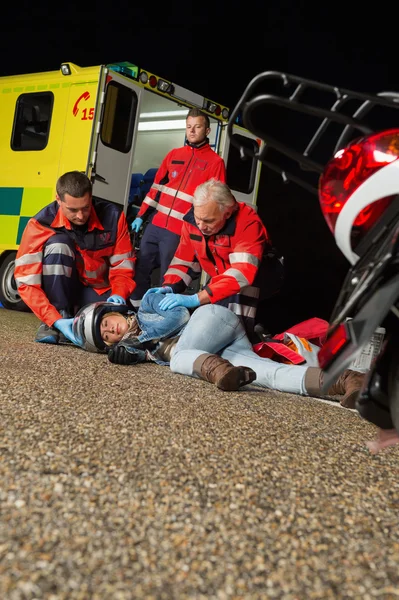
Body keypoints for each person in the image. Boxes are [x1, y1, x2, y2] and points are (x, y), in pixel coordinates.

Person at [74, 294, 365, 406]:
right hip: (219, 350)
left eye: (107, 323)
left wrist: (139, 341)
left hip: (211, 319)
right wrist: (138, 353)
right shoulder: (142, 346)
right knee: (271, 376)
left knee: (178, 360)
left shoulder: (147, 303)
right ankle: (346, 381)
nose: (110, 331)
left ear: (115, 312)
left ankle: (219, 373)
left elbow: (180, 316)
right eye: (105, 336)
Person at [144, 178, 283, 342]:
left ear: (228, 213)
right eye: (198, 218)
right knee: (206, 316)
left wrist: (197, 297)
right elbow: (184, 262)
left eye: (208, 221)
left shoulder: (248, 223)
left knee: (232, 317)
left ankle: (242, 343)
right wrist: (169, 287)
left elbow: (242, 274)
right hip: (224, 276)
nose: (201, 226)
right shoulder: (192, 222)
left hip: (259, 277)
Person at [14, 171, 136, 345]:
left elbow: (123, 266)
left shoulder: (113, 217)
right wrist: (53, 318)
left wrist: (119, 293)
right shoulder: (40, 224)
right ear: (58, 199)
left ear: (91, 197)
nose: (80, 216)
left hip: (97, 290)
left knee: (124, 326)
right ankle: (58, 319)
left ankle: (76, 314)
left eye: (85, 208)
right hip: (62, 291)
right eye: (72, 210)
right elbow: (26, 281)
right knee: (58, 245)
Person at [130, 108, 226, 307]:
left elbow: (214, 201)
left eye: (197, 127)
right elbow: (156, 187)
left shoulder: (215, 162)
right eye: (189, 126)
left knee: (170, 277)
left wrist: (200, 231)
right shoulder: (174, 154)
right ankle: (135, 310)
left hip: (179, 230)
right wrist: (140, 215)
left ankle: (163, 314)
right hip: (155, 225)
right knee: (141, 267)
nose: (192, 131)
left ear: (207, 131)